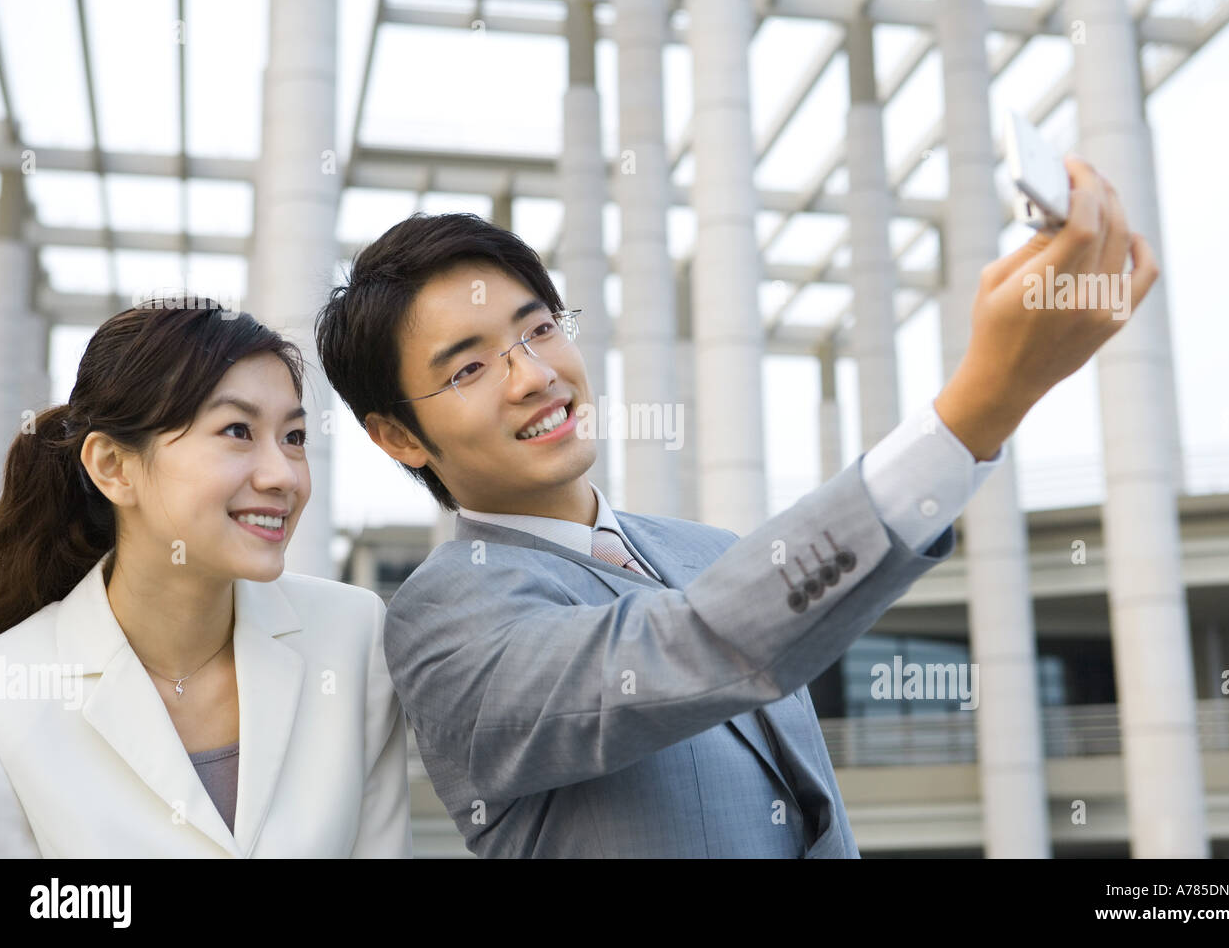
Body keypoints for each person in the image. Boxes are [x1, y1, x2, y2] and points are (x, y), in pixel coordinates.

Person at [315, 155, 1157, 857]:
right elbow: (695, 644)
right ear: (399, 436)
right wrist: (977, 408)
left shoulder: (709, 554)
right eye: (469, 368)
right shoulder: (441, 619)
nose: (534, 374)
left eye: (539, 329)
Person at [0, 297, 412, 857]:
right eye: (237, 430)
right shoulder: (1, 691)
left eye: (295, 438)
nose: (282, 475)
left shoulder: (352, 637)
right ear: (113, 467)